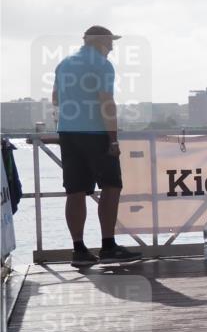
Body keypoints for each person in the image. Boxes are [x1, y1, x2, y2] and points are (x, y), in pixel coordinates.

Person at [52, 26, 141, 267]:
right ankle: (108, 245)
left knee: (75, 191)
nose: (112, 47)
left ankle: (79, 250)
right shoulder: (102, 64)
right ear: (101, 42)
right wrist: (113, 139)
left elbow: (55, 99)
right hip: (96, 133)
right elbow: (107, 103)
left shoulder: (64, 64)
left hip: (68, 133)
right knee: (111, 186)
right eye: (110, 42)